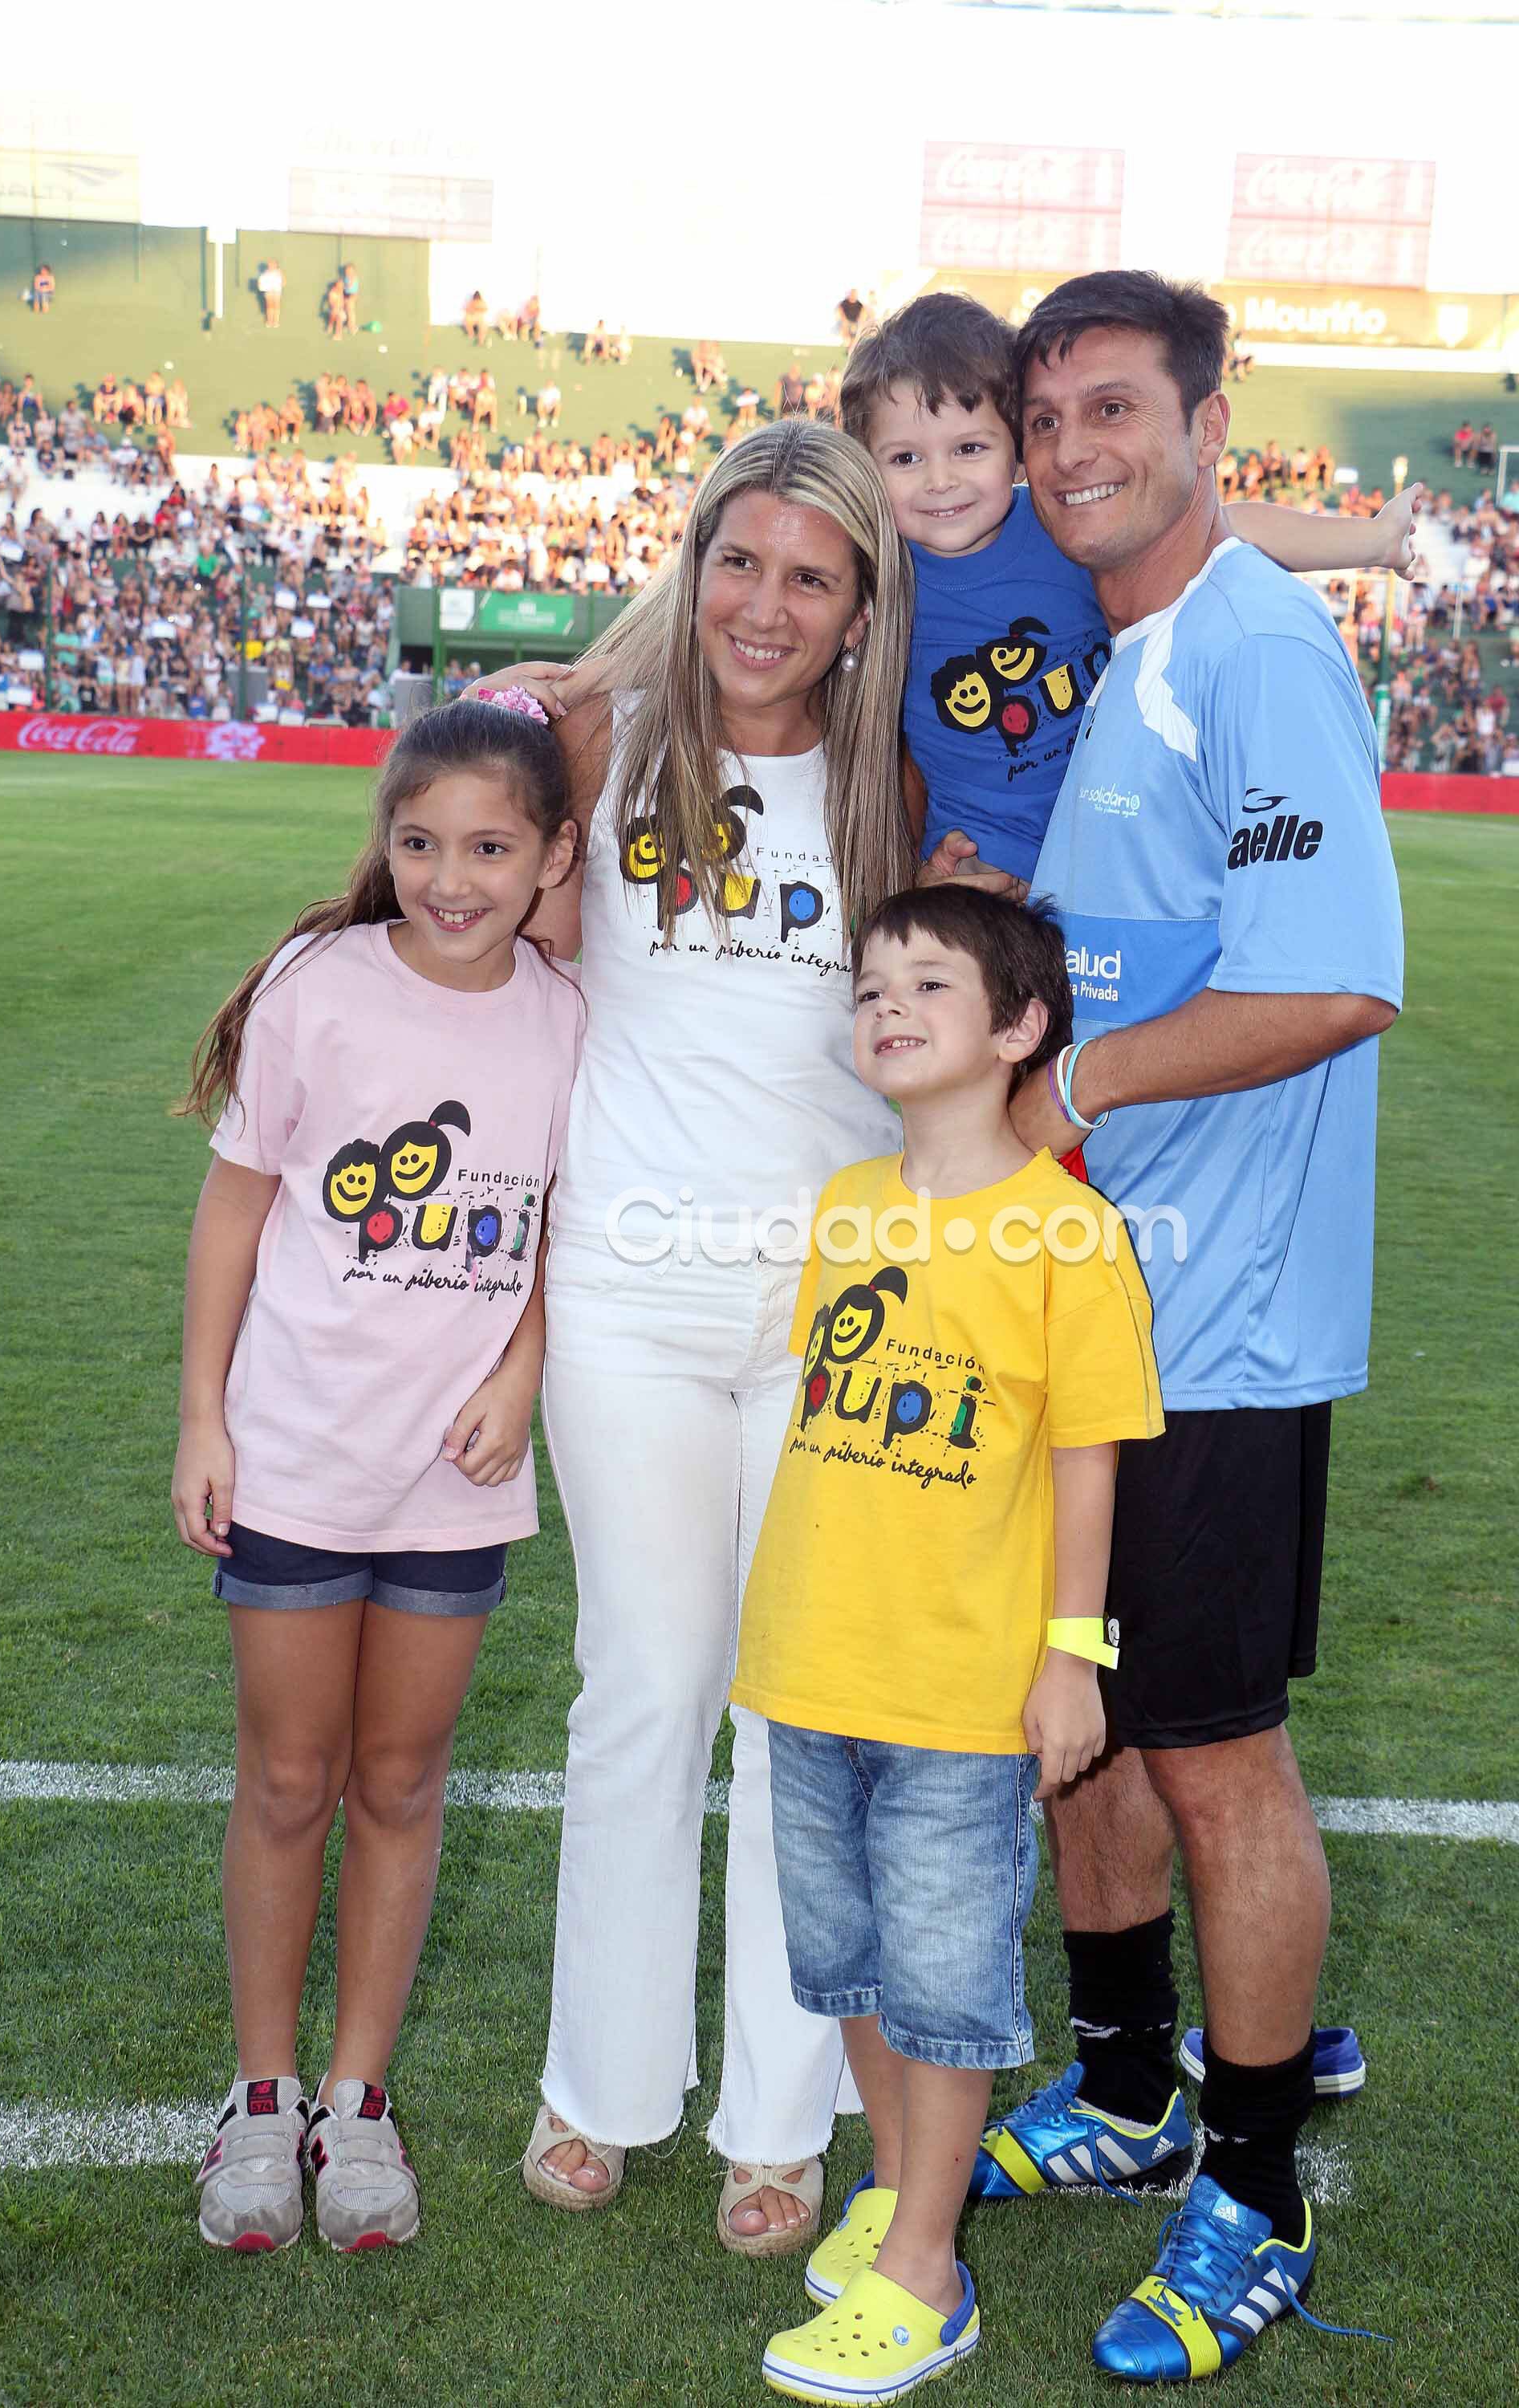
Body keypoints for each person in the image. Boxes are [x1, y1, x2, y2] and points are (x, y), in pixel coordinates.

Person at [992, 269, 1402, 2382]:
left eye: (1112, 408)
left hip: (1218, 1324)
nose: (1072, 446)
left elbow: (1332, 971)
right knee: (1092, 1721)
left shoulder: (1251, 642)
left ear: (1209, 417)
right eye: (1044, 413)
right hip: (1101, 1311)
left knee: (1217, 1755)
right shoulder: (1132, 651)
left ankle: (1247, 2184)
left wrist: (1073, 1092)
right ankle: (1134, 2089)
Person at [474, 419, 917, 2258]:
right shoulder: (599, 737)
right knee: (644, 1685)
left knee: (789, 1712)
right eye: (737, 561)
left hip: (829, 1310)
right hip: (630, 1298)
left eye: (808, 577)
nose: (763, 603)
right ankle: (598, 2086)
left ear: (852, 610)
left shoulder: (893, 786)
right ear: (692, 562)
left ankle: (777, 2116)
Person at [733, 882, 1164, 2400]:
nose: (888, 1007)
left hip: (962, 1689)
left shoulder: (1068, 1232)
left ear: (1022, 1027)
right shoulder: (849, 1204)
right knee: (849, 1968)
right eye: (869, 987)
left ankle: (927, 2272)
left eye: (927, 984)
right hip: (808, 1660)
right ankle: (898, 2193)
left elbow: (1088, 1459)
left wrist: (1071, 1655)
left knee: (942, 1974)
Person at [173, 698, 583, 2255]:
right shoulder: (318, 989)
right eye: (419, 844)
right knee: (288, 1780)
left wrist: (521, 1372)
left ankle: (359, 2100)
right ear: (383, 843)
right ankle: (263, 2099)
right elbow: (235, 1210)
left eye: (489, 848)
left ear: (552, 858)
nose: (451, 878)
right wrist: (203, 1419)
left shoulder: (560, 1017)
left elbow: (556, 1228)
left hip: (451, 1479)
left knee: (402, 1783)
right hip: (293, 1455)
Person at [838, 292, 1428, 890]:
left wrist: (1373, 542)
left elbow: (1235, 529)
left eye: (969, 449)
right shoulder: (877, 582)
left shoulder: (1060, 526)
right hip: (977, 868)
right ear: (866, 467)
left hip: (1112, 847)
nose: (940, 481)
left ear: (1018, 452)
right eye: (906, 458)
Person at [259, 261, 284, 327]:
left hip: (277, 292)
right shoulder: (265, 273)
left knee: (276, 307)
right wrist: (261, 286)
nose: (271, 266)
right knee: (269, 307)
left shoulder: (279, 272)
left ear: (276, 265)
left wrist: (279, 285)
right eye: (269, 265)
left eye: (273, 264)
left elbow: (284, 282)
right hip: (268, 292)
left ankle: (276, 322)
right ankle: (269, 322)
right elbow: (261, 282)